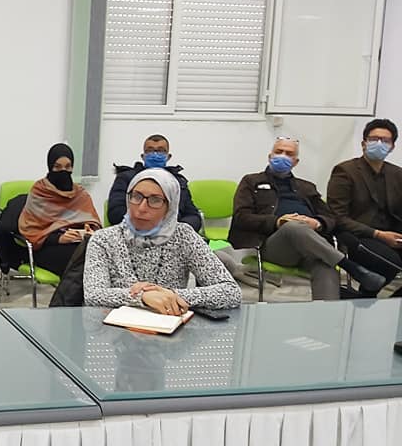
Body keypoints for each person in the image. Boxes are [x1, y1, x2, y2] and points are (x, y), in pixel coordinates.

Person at [229, 137, 384, 300]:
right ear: (270, 156)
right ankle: (352, 267)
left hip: (312, 245)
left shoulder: (306, 187)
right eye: (279, 151)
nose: (283, 156)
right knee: (293, 227)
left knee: (325, 262)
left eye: (289, 154)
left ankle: (327, 312)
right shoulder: (251, 181)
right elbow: (241, 217)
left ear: (295, 162)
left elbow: (332, 217)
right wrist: (277, 221)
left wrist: (317, 223)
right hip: (275, 246)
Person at [84, 169, 242, 312]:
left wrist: (171, 295)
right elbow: (93, 295)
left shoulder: (184, 235)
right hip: (115, 328)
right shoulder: (103, 239)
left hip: (170, 326)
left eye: (155, 200)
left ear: (170, 206)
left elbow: (231, 292)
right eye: (136, 197)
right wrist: (142, 297)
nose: (142, 208)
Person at [327, 118, 402, 292]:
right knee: (392, 263)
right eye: (374, 139)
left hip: (393, 235)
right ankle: (365, 297)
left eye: (385, 141)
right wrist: (379, 235)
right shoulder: (345, 171)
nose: (379, 144)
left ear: (392, 147)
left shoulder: (397, 174)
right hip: (358, 235)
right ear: (364, 143)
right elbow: (337, 216)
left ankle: (379, 301)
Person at [18, 143, 101, 277]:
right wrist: (58, 238)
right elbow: (30, 231)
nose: (63, 171)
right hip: (47, 247)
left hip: (77, 243)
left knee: (95, 256)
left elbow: (94, 225)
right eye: (57, 167)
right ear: (50, 166)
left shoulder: (80, 194)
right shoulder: (40, 191)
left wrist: (86, 229)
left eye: (68, 167)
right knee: (76, 262)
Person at [107, 134, 202, 231]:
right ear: (143, 156)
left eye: (160, 151)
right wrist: (148, 224)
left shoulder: (178, 181)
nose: (155, 154)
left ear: (168, 156)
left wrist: (177, 229)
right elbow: (115, 213)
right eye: (150, 150)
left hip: (172, 233)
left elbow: (193, 215)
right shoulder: (126, 178)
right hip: (133, 232)